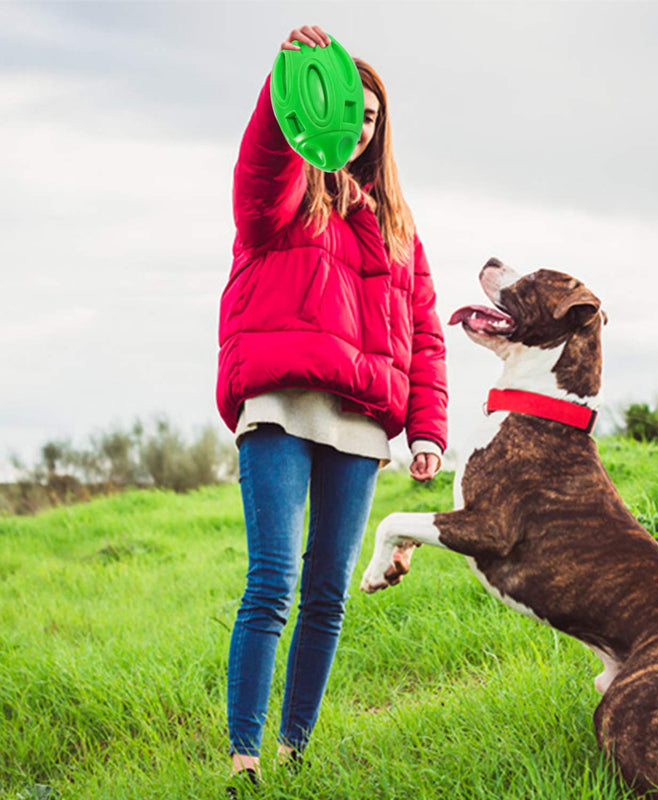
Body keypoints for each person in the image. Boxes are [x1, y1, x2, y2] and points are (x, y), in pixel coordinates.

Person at [216, 24, 448, 790]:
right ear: (329, 113)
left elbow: (423, 332)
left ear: (382, 132)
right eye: (352, 112)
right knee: (274, 580)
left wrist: (428, 431)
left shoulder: (399, 227)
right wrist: (286, 83)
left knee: (326, 596)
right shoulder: (282, 202)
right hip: (281, 403)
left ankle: (294, 753)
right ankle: (244, 761)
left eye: (375, 118)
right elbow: (262, 166)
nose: (362, 128)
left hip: (361, 424)